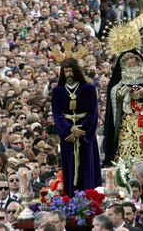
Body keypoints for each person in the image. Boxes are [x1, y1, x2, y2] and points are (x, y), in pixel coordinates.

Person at [51, 56, 101, 197]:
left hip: (84, 135)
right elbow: (57, 114)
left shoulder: (89, 88)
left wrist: (81, 130)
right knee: (70, 169)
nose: (68, 74)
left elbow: (93, 112)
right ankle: (71, 198)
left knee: (86, 166)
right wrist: (69, 129)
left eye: (71, 71)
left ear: (76, 71)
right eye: (65, 71)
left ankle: (89, 197)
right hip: (68, 136)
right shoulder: (58, 91)